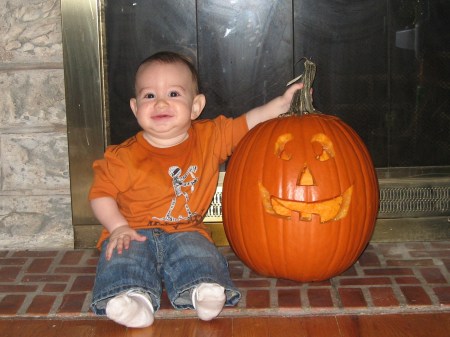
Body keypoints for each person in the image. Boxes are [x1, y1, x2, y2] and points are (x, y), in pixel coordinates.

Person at [89, 51, 303, 328]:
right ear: (135, 107)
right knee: (122, 261)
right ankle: (134, 300)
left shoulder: (210, 137)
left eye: (174, 94)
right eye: (149, 96)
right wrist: (117, 227)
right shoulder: (122, 156)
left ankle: (202, 291)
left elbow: (248, 122)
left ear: (196, 106)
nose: (161, 102)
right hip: (133, 231)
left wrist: (282, 103)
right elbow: (100, 194)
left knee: (200, 255)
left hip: (186, 230)